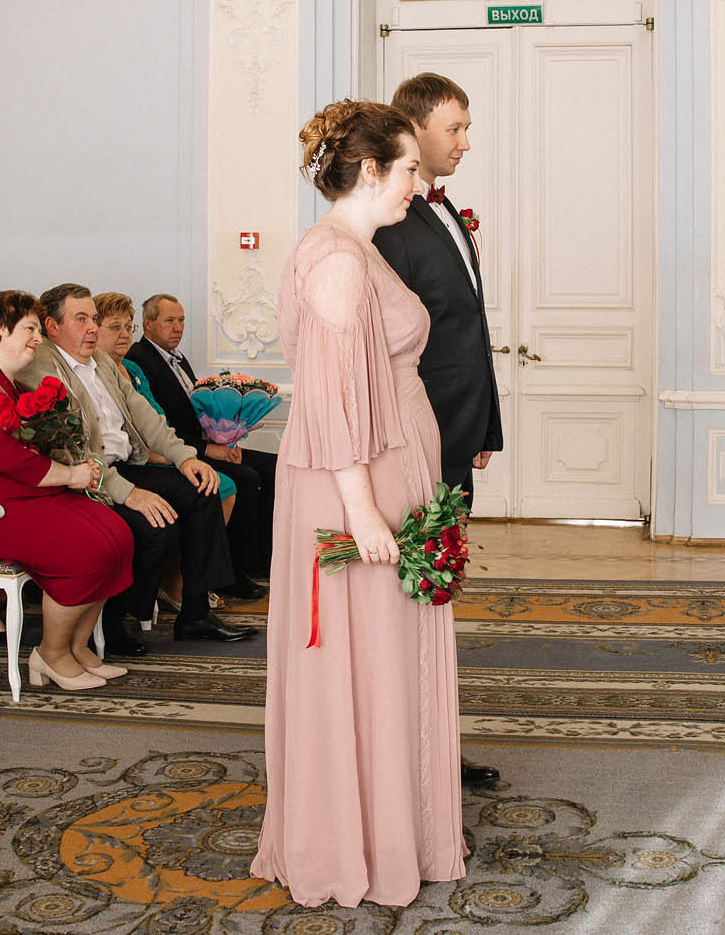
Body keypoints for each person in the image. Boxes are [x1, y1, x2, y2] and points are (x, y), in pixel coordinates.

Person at [251, 100, 465, 908]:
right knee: (362, 662)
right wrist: (367, 513)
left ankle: (391, 829)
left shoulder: (353, 249)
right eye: (409, 168)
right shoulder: (337, 258)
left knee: (385, 661)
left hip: (381, 475)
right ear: (370, 169)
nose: (419, 183)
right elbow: (334, 395)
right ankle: (353, 844)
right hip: (356, 489)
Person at [371, 71, 503, 789]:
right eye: (454, 126)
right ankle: (410, 754)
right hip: (415, 448)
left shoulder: (442, 214)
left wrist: (485, 424)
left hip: (455, 438)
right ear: (413, 128)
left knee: (435, 598)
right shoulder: (392, 227)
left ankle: (430, 745)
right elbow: (394, 350)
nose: (465, 140)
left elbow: (468, 335)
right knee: (411, 600)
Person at [18, 283, 254, 657]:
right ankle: (114, 622)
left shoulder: (101, 361)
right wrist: (128, 492)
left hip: (127, 464)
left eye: (94, 319)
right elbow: (71, 449)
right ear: (52, 326)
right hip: (90, 478)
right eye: (81, 320)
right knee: (154, 523)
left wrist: (185, 457)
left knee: (203, 489)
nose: (93, 328)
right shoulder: (42, 367)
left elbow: (143, 413)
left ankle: (196, 613)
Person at [0, 290, 135, 690]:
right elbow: (7, 458)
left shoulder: (2, 381)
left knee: (117, 534)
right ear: (1, 330)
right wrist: (71, 476)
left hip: (6, 494)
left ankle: (75, 645)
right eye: (30, 329)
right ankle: (49, 654)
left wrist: (78, 465)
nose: (38, 338)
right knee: (85, 547)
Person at [129, 293, 277, 585]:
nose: (178, 327)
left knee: (275, 467)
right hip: (182, 451)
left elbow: (197, 409)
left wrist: (226, 439)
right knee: (245, 478)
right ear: (148, 324)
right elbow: (161, 427)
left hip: (205, 443)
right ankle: (235, 571)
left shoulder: (178, 358)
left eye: (181, 320)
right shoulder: (140, 360)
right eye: (169, 320)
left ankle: (263, 560)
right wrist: (208, 448)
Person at [96, 293, 237, 514]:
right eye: (115, 327)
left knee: (228, 482)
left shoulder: (132, 368)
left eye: (127, 327)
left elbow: (157, 417)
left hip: (165, 449)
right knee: (218, 487)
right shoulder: (115, 367)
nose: (124, 334)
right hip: (136, 461)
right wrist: (173, 455)